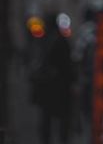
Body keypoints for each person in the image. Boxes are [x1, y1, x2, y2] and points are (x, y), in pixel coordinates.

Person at [29, 14, 72, 144]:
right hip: (60, 87)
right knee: (62, 119)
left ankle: (46, 140)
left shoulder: (44, 41)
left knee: (46, 119)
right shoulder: (61, 41)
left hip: (47, 87)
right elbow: (67, 65)